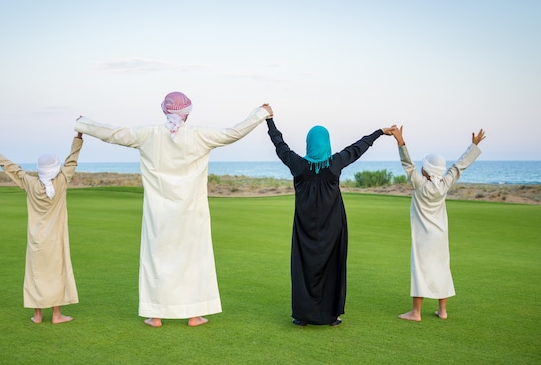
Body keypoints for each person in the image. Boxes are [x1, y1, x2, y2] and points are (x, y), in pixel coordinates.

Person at [74, 92, 273, 327]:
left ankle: (155, 315)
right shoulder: (200, 135)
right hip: (192, 212)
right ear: (187, 113)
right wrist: (261, 113)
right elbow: (233, 133)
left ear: (165, 111)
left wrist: (83, 124)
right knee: (194, 260)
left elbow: (115, 134)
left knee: (156, 259)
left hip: (158, 213)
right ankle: (194, 315)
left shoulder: (148, 134)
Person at [266, 116, 396, 327]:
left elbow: (279, 145)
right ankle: (330, 316)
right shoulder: (334, 165)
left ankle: (302, 316)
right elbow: (357, 148)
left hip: (305, 228)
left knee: (304, 268)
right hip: (332, 227)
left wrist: (269, 121)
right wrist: (379, 132)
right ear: (326, 143)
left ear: (310, 143)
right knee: (331, 267)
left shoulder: (299, 165)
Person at [0, 132, 84, 324]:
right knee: (56, 275)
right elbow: (71, 162)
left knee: (36, 276)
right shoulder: (61, 182)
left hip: (36, 240)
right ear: (54, 168)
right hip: (55, 240)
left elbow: (13, 169)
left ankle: (37, 316)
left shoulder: (30, 183)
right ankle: (56, 315)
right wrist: (78, 137)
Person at [392, 126, 485, 321]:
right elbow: (459, 166)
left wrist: (401, 142)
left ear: (426, 170)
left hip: (423, 237)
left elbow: (407, 164)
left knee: (420, 268)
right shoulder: (444, 184)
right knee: (442, 268)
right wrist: (474, 146)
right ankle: (442, 311)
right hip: (440, 236)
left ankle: (415, 312)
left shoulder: (419, 183)